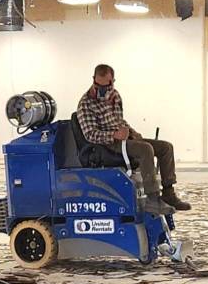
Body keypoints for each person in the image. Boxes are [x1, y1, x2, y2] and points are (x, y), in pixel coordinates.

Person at [75, 64, 191, 215]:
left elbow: (119, 120)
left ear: (113, 81)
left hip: (124, 137)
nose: (102, 90)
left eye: (107, 85)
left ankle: (168, 193)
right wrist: (113, 136)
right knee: (145, 150)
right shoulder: (86, 103)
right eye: (98, 85)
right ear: (94, 80)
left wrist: (132, 132)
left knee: (165, 148)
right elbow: (90, 134)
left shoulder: (115, 96)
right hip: (107, 144)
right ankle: (153, 199)